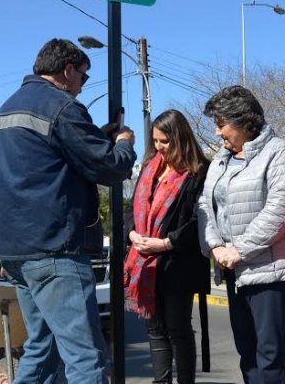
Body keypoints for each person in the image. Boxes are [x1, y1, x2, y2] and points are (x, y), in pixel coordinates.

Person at [0, 38, 137, 384]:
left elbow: (42, 169)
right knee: (87, 359)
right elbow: (110, 168)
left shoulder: (6, 111)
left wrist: (93, 137)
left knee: (42, 350)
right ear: (67, 70)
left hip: (15, 252)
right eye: (83, 78)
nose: (82, 87)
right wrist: (125, 143)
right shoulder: (61, 107)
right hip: (55, 251)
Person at [197, 86, 285, 384]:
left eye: (220, 124)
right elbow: (204, 203)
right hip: (231, 270)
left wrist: (238, 250)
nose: (217, 133)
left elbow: (280, 209)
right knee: (247, 351)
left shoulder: (277, 151)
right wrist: (215, 246)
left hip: (267, 270)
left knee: (269, 355)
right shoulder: (220, 160)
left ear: (243, 121)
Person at [123, 109, 210, 384]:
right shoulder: (150, 167)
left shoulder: (199, 171)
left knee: (177, 329)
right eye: (156, 141)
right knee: (154, 327)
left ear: (180, 138)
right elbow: (131, 208)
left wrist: (165, 242)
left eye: (165, 141)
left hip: (178, 263)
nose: (159, 147)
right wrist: (132, 234)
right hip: (144, 261)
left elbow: (201, 219)